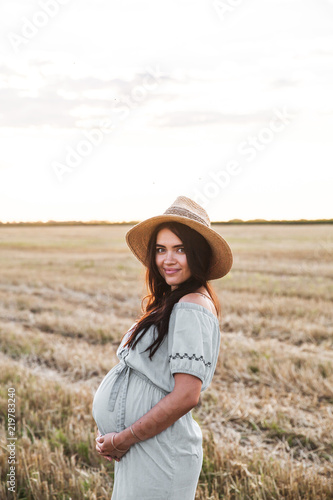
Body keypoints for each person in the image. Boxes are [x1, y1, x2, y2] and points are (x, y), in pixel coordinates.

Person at [92, 195, 233, 500]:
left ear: (197, 255)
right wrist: (113, 430)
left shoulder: (192, 306)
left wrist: (124, 437)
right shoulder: (175, 301)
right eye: (161, 249)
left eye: (180, 249)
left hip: (159, 453)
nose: (168, 259)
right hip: (145, 448)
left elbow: (186, 395)